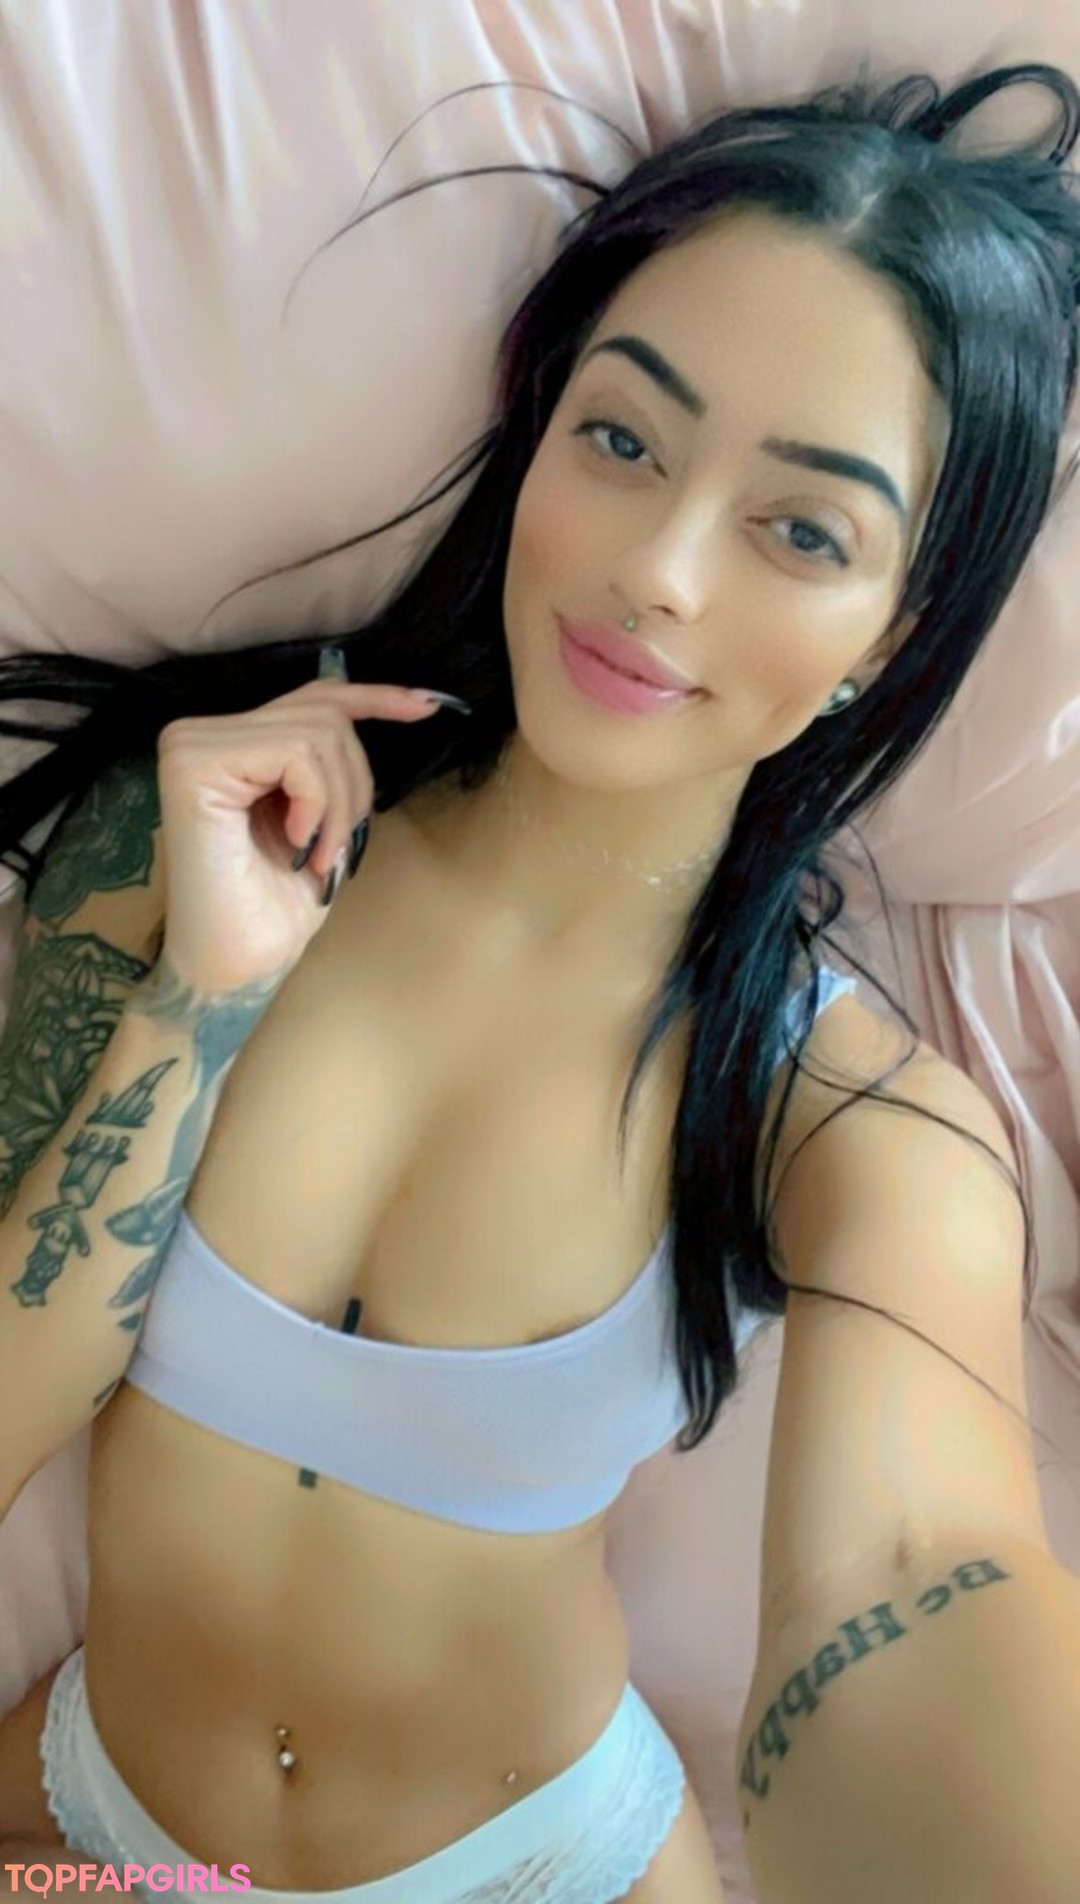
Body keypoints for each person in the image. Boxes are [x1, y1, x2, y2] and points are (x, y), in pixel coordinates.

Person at [0, 56, 1077, 1904]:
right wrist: (197, 1010)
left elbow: (907, 1572)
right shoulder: (197, 827)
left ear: (887, 636)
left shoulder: (862, 1121)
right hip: (88, 1828)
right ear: (538, 425)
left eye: (802, 530)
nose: (659, 571)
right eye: (624, 441)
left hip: (539, 1868)